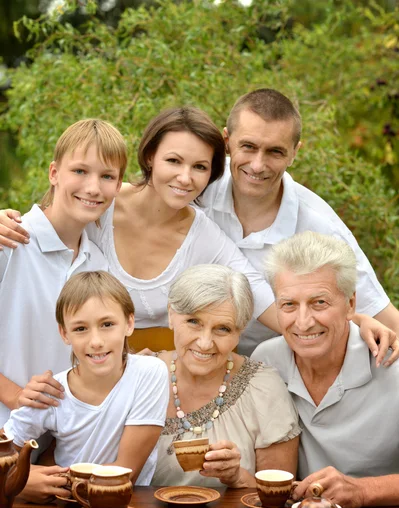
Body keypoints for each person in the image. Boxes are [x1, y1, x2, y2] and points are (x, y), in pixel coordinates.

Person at [0, 106, 397, 366]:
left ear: (212, 173)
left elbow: (262, 295)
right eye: (173, 161)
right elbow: (52, 212)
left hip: (149, 383)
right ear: (150, 157)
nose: (186, 177)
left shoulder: (204, 234)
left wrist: (351, 318)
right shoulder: (101, 204)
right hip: (61, 372)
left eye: (200, 167)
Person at [200, 88, 399, 355]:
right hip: (198, 354)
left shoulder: (320, 226)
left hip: (284, 365)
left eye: (275, 152)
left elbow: (385, 319)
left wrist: (362, 322)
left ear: (295, 152)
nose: (258, 165)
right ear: (227, 140)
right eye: (248, 147)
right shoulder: (197, 187)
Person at [252, 232, 399, 508]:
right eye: (289, 305)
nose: (303, 322)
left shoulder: (393, 368)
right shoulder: (266, 361)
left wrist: (363, 491)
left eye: (319, 302)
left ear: (350, 304)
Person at [0, 118, 127, 426]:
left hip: (55, 443)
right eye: (80, 171)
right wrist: (14, 395)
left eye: (107, 176)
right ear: (54, 173)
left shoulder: (100, 265)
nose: (93, 187)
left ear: (119, 186)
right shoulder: (9, 242)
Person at [2, 271, 169, 499]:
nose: (96, 342)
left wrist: (18, 481)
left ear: (129, 323)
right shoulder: (51, 391)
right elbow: (5, 456)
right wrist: (22, 480)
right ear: (64, 333)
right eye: (80, 328)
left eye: (107, 324)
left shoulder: (149, 374)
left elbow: (124, 474)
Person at [151, 264, 300, 488]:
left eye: (223, 329)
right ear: (171, 315)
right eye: (193, 322)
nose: (204, 343)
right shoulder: (139, 377)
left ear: (240, 332)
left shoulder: (264, 388)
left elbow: (278, 496)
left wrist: (236, 476)